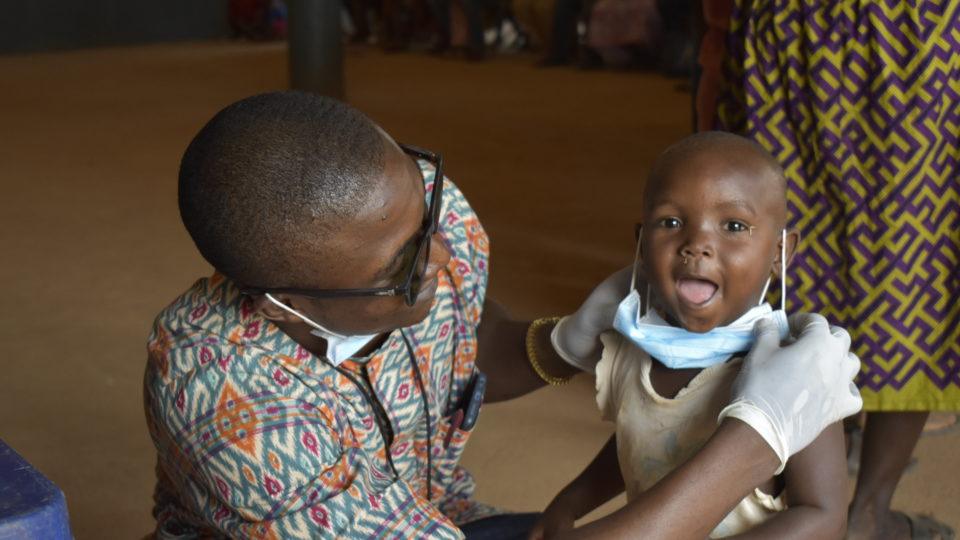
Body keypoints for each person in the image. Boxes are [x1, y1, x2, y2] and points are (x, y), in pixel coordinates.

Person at [144, 91, 861, 539]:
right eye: (400, 270)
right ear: (286, 302)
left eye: (423, 219)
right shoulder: (231, 403)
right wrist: (760, 436)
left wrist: (565, 343)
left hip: (435, 518)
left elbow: (466, 340)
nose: (440, 258)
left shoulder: (421, 208)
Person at [698, 1, 960, 537]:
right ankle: (862, 512)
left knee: (790, 258)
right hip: (914, 30)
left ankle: (809, 500)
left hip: (788, 25)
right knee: (911, 258)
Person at [532, 132, 848, 539]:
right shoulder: (634, 347)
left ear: (780, 253)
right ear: (642, 246)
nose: (697, 244)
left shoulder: (796, 372)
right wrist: (570, 501)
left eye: (733, 225)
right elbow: (642, 439)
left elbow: (824, 515)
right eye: (672, 222)